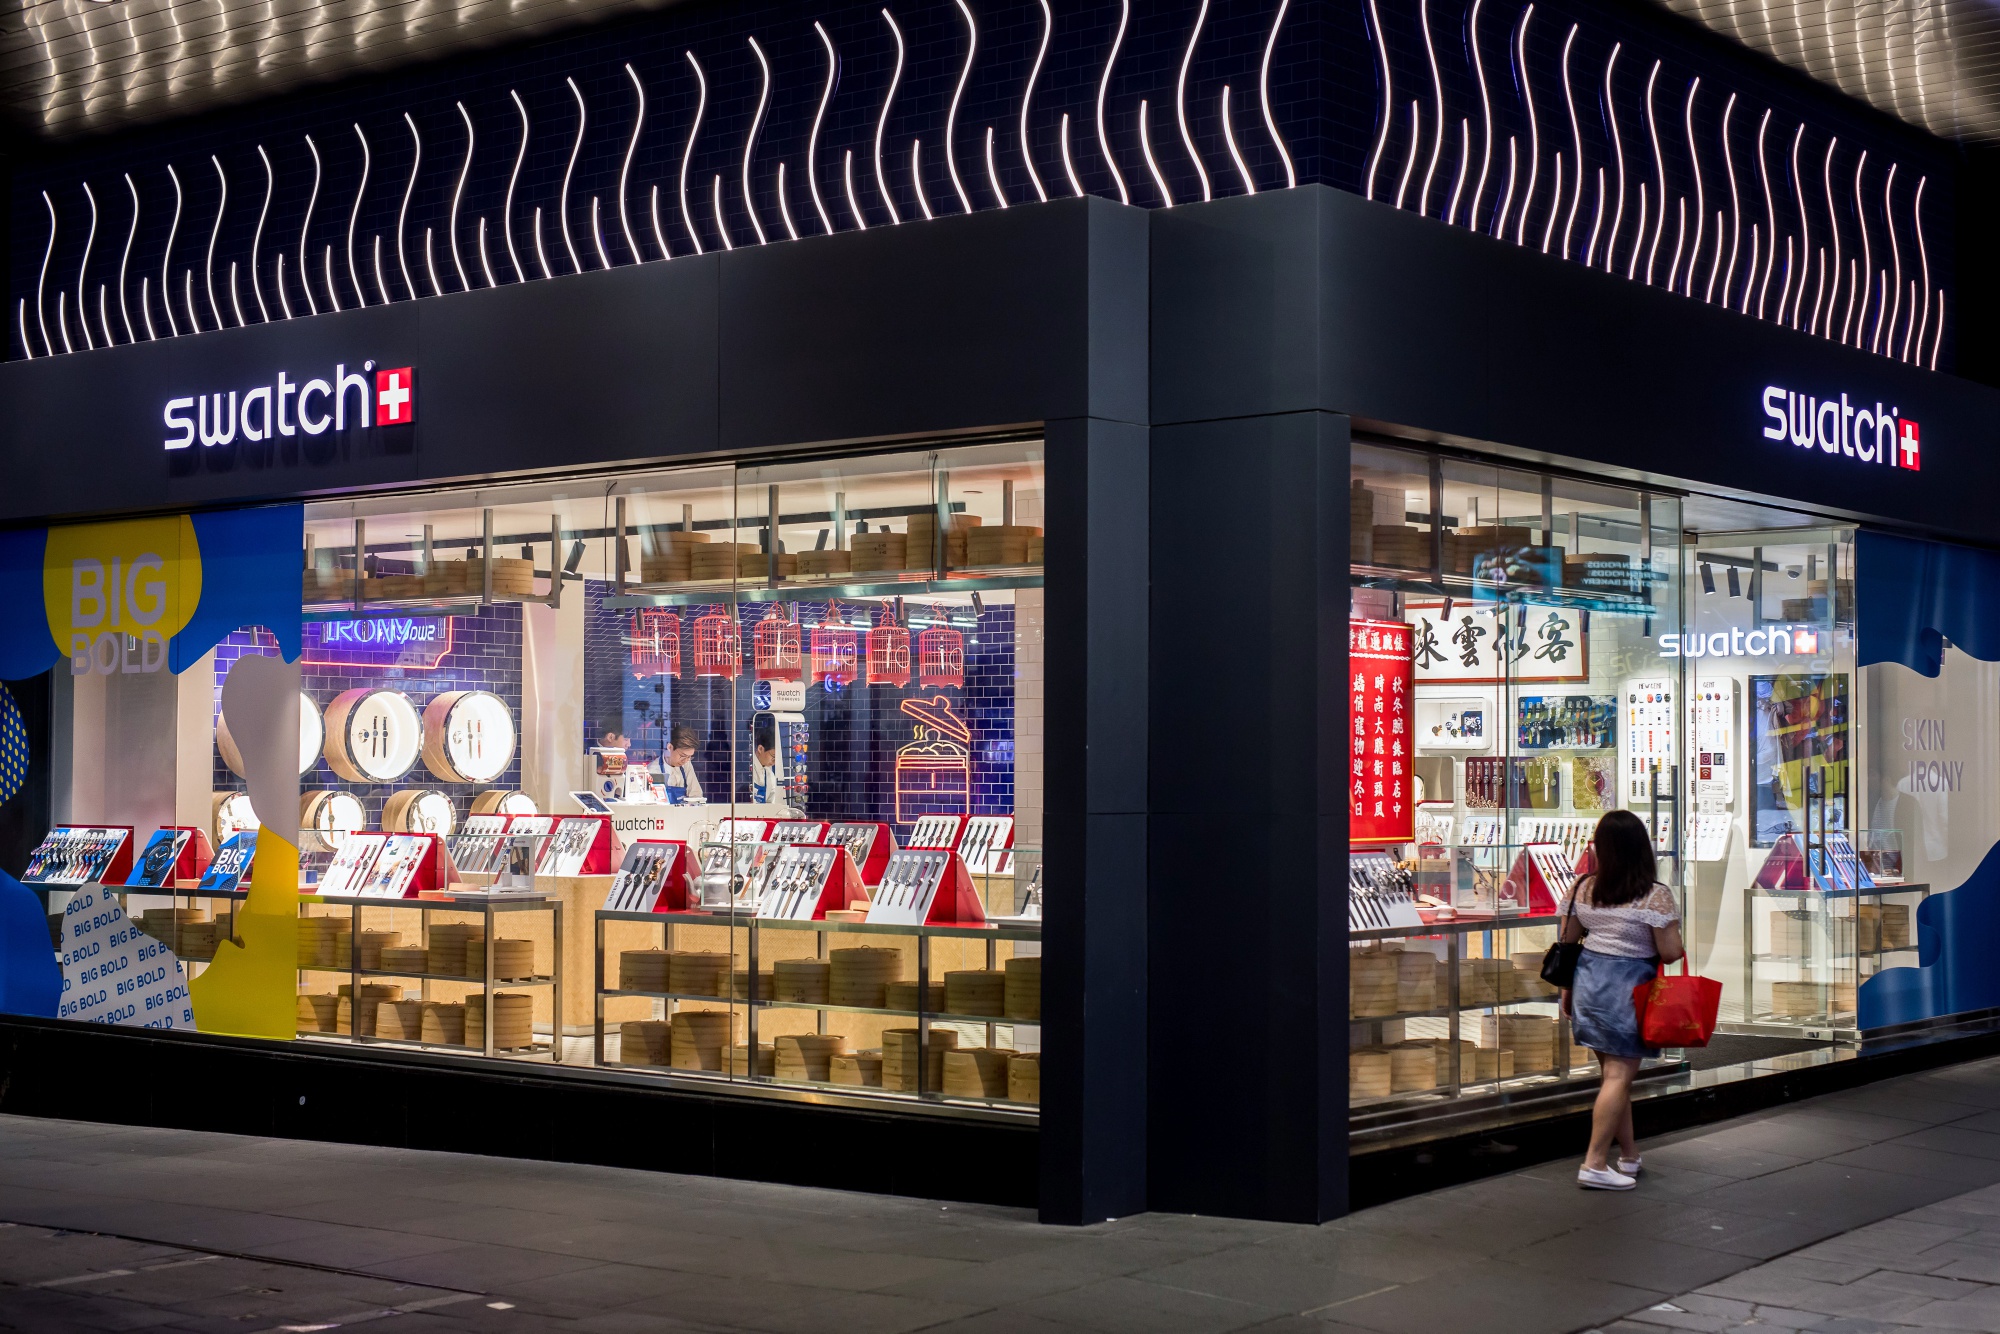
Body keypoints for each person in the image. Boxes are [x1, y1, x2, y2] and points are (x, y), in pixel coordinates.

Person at [1557, 808, 1686, 1191]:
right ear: (1641, 847)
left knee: (1613, 1076)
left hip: (1588, 983)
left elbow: (1567, 942)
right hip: (1628, 989)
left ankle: (1628, 1156)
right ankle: (1594, 1163)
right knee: (1618, 1076)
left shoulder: (1582, 887)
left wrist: (1566, 991)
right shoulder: (1655, 895)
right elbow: (1670, 952)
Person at [661, 725, 703, 802]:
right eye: (683, 756)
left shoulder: (686, 763)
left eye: (689, 757)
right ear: (670, 747)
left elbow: (696, 794)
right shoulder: (654, 769)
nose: (686, 760)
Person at [747, 717, 781, 805]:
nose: (774, 762)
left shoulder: (770, 776)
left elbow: (771, 806)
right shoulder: (746, 770)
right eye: (773, 756)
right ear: (760, 749)